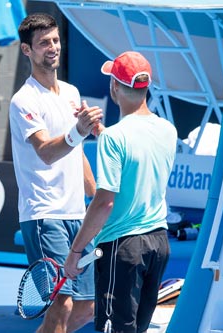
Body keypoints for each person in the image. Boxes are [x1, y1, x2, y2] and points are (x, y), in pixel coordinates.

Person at [64, 51, 178, 333]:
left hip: (123, 249)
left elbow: (104, 203)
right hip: (158, 244)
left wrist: (76, 251)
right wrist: (101, 132)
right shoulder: (167, 130)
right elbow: (136, 148)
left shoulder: (115, 138)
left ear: (114, 86)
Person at [9, 13, 104, 333]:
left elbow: (75, 153)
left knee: (87, 306)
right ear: (27, 51)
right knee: (61, 302)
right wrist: (79, 131)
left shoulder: (72, 93)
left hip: (77, 214)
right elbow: (47, 152)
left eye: (55, 40)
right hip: (44, 213)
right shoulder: (23, 100)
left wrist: (96, 195)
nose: (52, 48)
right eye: (43, 43)